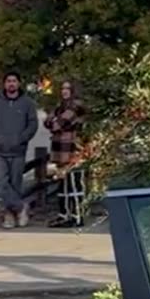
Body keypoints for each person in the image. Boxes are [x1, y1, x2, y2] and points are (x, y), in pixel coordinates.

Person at [0, 71, 38, 229]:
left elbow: (32, 124)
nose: (11, 84)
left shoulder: (27, 103)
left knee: (15, 185)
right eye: (8, 81)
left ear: (19, 83)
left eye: (14, 81)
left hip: (18, 151)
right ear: (4, 84)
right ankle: (21, 207)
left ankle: (10, 216)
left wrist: (21, 139)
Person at [44, 81, 88, 228]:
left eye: (67, 88)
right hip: (60, 149)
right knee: (63, 183)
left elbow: (58, 124)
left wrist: (55, 121)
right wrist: (54, 121)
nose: (64, 91)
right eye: (62, 88)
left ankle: (77, 216)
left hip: (73, 148)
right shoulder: (60, 106)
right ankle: (64, 215)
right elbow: (47, 122)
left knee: (75, 183)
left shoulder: (76, 106)